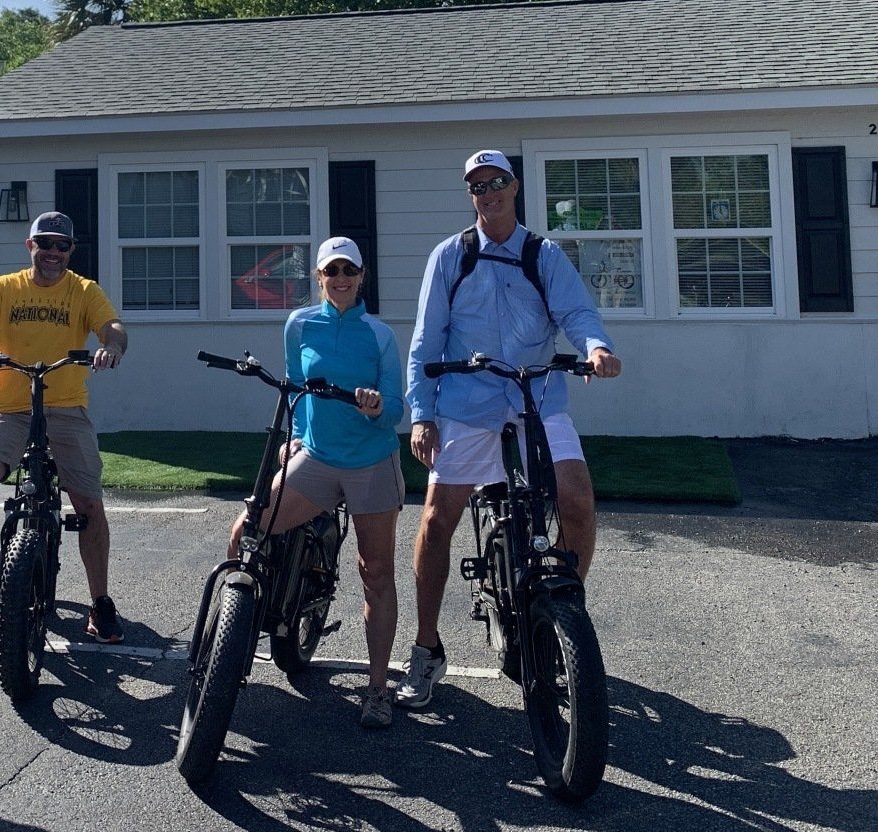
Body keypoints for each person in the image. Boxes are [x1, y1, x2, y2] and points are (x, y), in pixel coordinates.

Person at [395, 151, 622, 710]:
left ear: (513, 187)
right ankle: (426, 648)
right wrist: (422, 413)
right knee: (435, 518)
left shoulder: (542, 254)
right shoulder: (451, 256)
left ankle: (563, 612)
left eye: (497, 182)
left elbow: (576, 313)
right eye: (477, 186)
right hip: (467, 407)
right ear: (470, 195)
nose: (488, 192)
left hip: (536, 401)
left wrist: (596, 347)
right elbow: (426, 341)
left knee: (577, 499)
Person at [223, 236, 405, 730]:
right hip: (319, 459)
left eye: (350, 270)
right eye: (332, 271)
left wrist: (376, 407)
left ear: (362, 277)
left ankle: (376, 688)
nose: (341, 278)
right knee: (248, 528)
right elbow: (295, 389)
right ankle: (232, 643)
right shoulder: (299, 324)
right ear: (319, 278)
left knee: (376, 574)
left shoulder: (379, 334)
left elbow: (398, 408)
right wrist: (297, 441)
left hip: (371, 463)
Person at [0, 211, 129, 642]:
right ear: (30, 247)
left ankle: (100, 601)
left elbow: (113, 328)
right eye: (44, 243)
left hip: (66, 407)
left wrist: (110, 346)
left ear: (71, 250)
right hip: (9, 409)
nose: (53, 252)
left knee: (88, 504)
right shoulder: (5, 288)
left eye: (62, 245)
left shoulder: (84, 291)